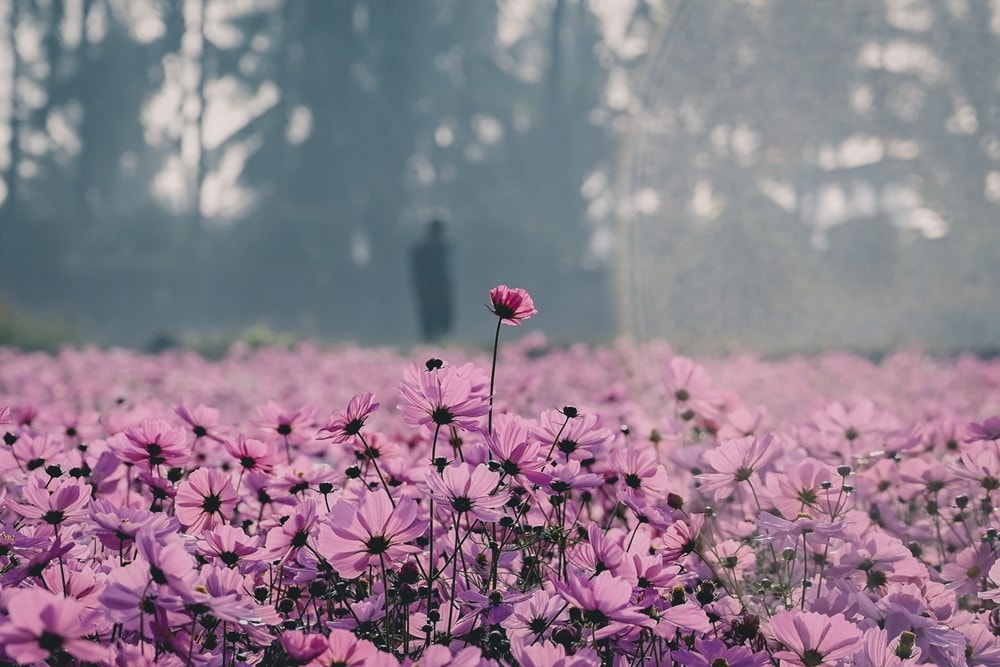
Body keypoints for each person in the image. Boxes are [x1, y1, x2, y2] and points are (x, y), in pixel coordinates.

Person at [410, 219, 454, 342]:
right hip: (432, 291)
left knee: (438, 322)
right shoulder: (424, 251)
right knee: (433, 322)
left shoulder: (445, 249)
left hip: (436, 292)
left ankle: (437, 344)